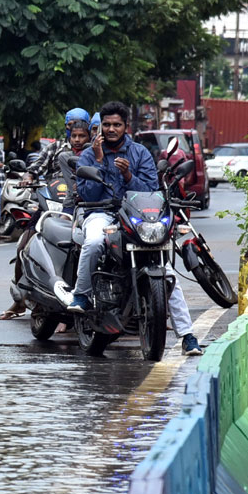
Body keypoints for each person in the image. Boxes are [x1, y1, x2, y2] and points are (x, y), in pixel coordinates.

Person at [65, 101, 202, 355]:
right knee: (94, 241)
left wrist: (129, 177)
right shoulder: (89, 154)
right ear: (100, 127)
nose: (111, 129)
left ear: (126, 126)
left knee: (167, 271)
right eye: (106, 125)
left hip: (137, 217)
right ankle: (81, 295)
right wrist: (97, 161)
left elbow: (151, 190)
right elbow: (86, 192)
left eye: (116, 124)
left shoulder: (139, 153)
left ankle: (187, 336)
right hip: (101, 213)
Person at [0, 112, 91, 323]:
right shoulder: (56, 148)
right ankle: (20, 299)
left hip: (83, 205)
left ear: (88, 133)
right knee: (24, 245)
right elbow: (36, 167)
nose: (76, 138)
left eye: (81, 134)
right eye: (71, 131)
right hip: (52, 203)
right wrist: (28, 177)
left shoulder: (93, 151)